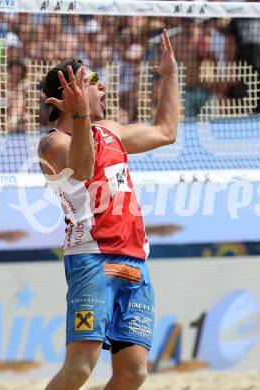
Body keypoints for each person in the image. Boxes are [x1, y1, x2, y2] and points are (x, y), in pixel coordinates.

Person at [38, 30, 179, 390]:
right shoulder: (52, 143)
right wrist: (81, 114)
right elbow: (82, 170)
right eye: (93, 80)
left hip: (134, 259)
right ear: (67, 94)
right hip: (92, 258)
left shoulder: (111, 130)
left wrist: (169, 77)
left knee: (134, 373)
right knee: (80, 369)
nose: (102, 87)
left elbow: (165, 131)